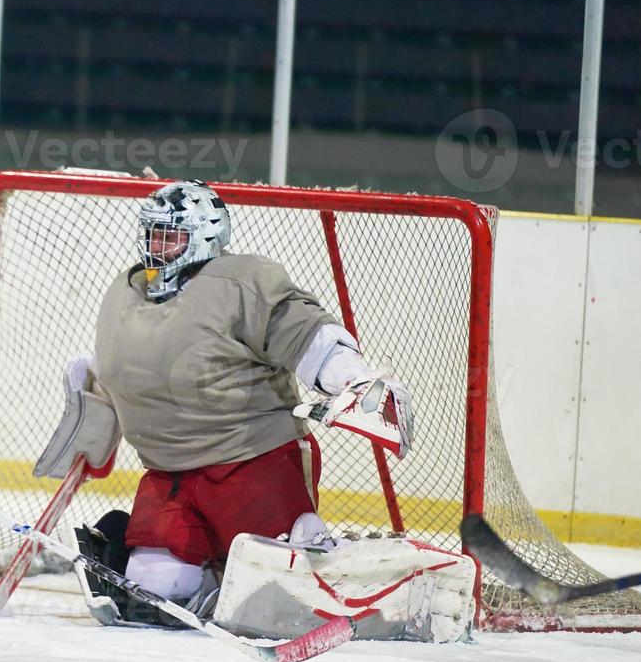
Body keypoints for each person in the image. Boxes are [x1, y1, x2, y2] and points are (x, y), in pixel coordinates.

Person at [67, 180, 413, 627]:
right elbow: (135, 362)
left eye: (171, 236)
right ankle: (214, 583)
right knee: (156, 587)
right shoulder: (127, 290)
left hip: (251, 461)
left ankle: (364, 580)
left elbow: (305, 333)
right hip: (169, 471)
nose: (158, 247)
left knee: (282, 594)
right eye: (153, 234)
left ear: (206, 236)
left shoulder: (241, 281)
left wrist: (354, 380)